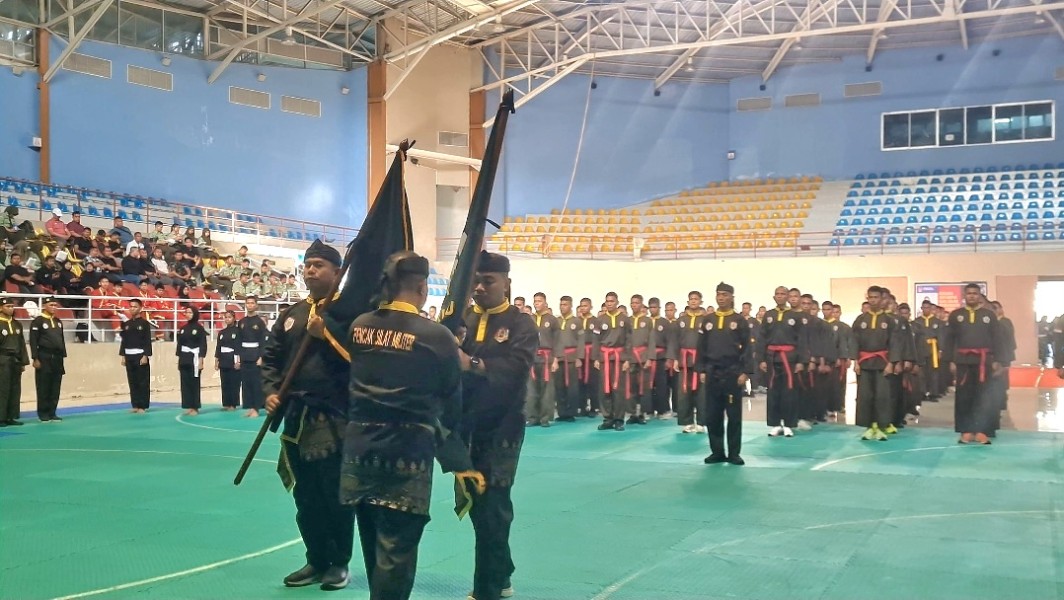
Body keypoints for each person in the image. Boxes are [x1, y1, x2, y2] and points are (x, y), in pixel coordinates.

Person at [341, 251, 485, 600]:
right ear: (422, 287)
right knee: (398, 551)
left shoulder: (360, 325)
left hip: (359, 449)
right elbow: (451, 402)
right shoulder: (435, 336)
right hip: (406, 453)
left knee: (373, 543)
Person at [263, 240, 357, 591]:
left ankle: (339, 563)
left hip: (334, 418)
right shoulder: (291, 315)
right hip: (296, 420)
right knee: (305, 496)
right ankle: (316, 558)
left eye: (318, 264)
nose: (310, 270)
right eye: (307, 264)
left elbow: (360, 361)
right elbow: (271, 360)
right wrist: (271, 392)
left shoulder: (350, 314)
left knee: (334, 495)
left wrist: (327, 334)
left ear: (337, 272)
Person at [458, 251, 536, 600]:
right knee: (479, 505)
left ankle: (487, 589)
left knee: (493, 507)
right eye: (475, 280)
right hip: (465, 427)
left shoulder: (521, 324)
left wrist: (471, 363)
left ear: (506, 282)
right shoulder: (459, 321)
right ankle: (501, 571)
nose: (479, 287)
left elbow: (515, 370)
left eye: (487, 280)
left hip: (502, 428)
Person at [943, 283, 1004, 444]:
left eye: (975, 293)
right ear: (964, 295)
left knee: (984, 397)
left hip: (984, 361)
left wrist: (998, 360)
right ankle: (966, 430)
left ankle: (983, 430)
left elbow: (997, 339)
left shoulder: (988, 315)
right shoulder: (956, 315)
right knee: (964, 396)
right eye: (969, 293)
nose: (972, 296)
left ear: (980, 296)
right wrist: (950, 361)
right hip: (963, 362)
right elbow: (949, 339)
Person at [699, 283, 750, 466]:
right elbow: (701, 347)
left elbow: (748, 348)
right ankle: (717, 452)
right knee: (713, 415)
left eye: (725, 295)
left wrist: (745, 372)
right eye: (718, 294)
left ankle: (734, 453)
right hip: (712, 372)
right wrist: (702, 369)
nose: (721, 298)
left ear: (732, 297)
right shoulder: (708, 320)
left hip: (732, 373)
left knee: (734, 416)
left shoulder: (740, 320)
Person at [851, 286, 906, 441]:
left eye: (876, 297)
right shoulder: (860, 320)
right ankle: (870, 427)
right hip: (864, 362)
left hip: (882, 362)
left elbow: (895, 343)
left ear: (882, 299)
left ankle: (881, 426)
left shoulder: (889, 320)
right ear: (867, 298)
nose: (873, 300)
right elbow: (854, 341)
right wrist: (855, 361)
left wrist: (891, 363)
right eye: (870, 297)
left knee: (882, 396)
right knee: (865, 396)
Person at [757, 286, 808, 437]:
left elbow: (802, 340)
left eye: (783, 294)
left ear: (788, 297)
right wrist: (761, 359)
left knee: (789, 392)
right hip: (772, 358)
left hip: (790, 358)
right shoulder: (769, 315)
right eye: (777, 294)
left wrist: (801, 361)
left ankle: (789, 424)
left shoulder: (795, 316)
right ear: (774, 297)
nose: (780, 296)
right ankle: (775, 424)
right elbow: (761, 338)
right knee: (773, 392)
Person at [668, 291, 707, 433]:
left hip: (700, 360)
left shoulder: (706, 320)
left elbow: (709, 342)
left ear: (701, 302)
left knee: (702, 393)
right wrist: (675, 359)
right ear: (688, 301)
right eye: (691, 299)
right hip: (684, 359)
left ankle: (702, 422)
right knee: (684, 392)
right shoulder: (681, 320)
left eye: (696, 299)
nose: (693, 301)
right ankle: (687, 422)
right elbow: (674, 341)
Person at [593, 292, 630, 431]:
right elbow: (596, 340)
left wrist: (627, 359)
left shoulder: (624, 319)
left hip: (619, 358)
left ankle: (619, 419)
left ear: (617, 302)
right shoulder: (599, 320)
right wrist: (596, 358)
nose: (609, 303)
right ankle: (607, 418)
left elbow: (629, 340)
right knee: (604, 389)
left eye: (612, 301)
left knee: (618, 390)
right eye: (607, 301)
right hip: (604, 358)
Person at [29, 296, 66, 422]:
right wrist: (35, 358)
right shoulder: (38, 321)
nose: (54, 307)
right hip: (44, 356)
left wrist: (63, 356)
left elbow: (61, 340)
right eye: (51, 305)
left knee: (55, 386)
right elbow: (33, 341)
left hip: (57, 357)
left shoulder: (58, 321)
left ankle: (52, 412)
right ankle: (43, 413)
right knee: (44, 385)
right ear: (44, 306)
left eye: (55, 305)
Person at [525, 292, 557, 427]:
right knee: (531, 390)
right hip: (532, 358)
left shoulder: (552, 319)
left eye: (539, 301)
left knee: (546, 390)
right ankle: (532, 417)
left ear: (545, 303)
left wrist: (555, 360)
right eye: (535, 301)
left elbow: (558, 341)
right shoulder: (529, 319)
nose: (536, 304)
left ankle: (545, 418)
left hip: (547, 358)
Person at [551, 295, 584, 422]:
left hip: (572, 357)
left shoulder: (576, 321)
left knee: (572, 386)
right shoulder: (556, 321)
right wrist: (554, 357)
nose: (562, 307)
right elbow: (553, 340)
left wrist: (579, 357)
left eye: (565, 304)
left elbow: (581, 341)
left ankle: (571, 412)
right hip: (558, 358)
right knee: (559, 386)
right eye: (561, 304)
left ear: (570, 305)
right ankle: (562, 412)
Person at [120, 298, 153, 413]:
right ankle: (135, 404)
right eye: (130, 306)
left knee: (142, 381)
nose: (132, 309)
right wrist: (123, 355)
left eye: (134, 307)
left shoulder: (144, 324)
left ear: (140, 309)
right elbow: (124, 341)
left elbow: (147, 341)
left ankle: (142, 405)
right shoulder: (127, 324)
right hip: (129, 356)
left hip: (140, 356)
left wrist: (145, 355)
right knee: (132, 381)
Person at [0, 296, 29, 427]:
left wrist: (23, 361)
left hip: (15, 360)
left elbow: (22, 343)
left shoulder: (16, 324)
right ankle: (1, 417)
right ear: (1, 308)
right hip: (3, 359)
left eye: (12, 306)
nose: (11, 309)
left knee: (15, 388)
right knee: (3, 389)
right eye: (8, 306)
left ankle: (11, 416)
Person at [238, 295, 268, 417]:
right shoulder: (241, 322)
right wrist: (238, 357)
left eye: (252, 303)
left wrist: (261, 357)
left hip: (255, 354)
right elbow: (238, 341)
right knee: (246, 383)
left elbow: (262, 341)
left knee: (256, 383)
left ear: (256, 305)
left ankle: (256, 408)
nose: (250, 305)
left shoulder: (260, 322)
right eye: (248, 303)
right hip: (244, 355)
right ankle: (249, 407)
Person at [176, 306, 208, 416]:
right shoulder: (183, 328)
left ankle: (195, 407)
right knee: (185, 383)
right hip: (184, 357)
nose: (188, 314)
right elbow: (179, 345)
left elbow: (202, 344)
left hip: (194, 358)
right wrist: (179, 359)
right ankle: (188, 405)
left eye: (190, 312)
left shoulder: (199, 328)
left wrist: (201, 360)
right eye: (186, 312)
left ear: (195, 314)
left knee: (194, 382)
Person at [215, 310, 242, 411]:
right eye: (225, 317)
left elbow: (239, 347)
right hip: (223, 360)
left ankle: (233, 404)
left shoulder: (238, 331)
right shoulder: (221, 333)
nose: (227, 319)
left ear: (234, 318)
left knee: (234, 383)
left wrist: (238, 361)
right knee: (225, 382)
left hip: (233, 359)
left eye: (229, 317)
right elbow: (218, 347)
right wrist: (216, 361)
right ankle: (226, 403)